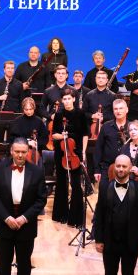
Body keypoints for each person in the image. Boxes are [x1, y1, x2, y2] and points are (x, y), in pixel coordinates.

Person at [0, 139, 47, 275]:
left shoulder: (37, 171)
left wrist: (24, 218)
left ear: (28, 151)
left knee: (24, 266)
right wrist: (6, 217)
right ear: (11, 151)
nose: (20, 155)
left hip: (26, 226)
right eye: (17, 152)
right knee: (4, 265)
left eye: (23, 152)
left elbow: (41, 200)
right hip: (5, 224)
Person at [51, 89, 88, 227]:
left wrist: (83, 152)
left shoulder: (81, 113)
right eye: (64, 99)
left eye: (69, 98)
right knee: (61, 183)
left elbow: (85, 134)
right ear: (62, 100)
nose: (66, 101)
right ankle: (61, 215)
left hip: (75, 152)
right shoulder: (59, 115)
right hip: (61, 153)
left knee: (76, 184)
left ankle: (75, 218)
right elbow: (54, 134)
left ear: (74, 99)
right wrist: (63, 136)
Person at [93, 98, 129, 184]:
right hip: (107, 167)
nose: (118, 111)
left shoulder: (132, 127)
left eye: (121, 108)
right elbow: (98, 148)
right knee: (104, 190)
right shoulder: (106, 126)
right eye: (115, 109)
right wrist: (97, 170)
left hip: (127, 168)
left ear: (127, 110)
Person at [9, 97, 48, 162]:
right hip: (20, 151)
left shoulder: (39, 121)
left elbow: (45, 138)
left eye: (30, 109)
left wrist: (36, 143)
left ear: (34, 108)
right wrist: (27, 142)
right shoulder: (17, 121)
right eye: (26, 109)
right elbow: (13, 138)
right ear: (23, 109)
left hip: (35, 152)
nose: (29, 112)